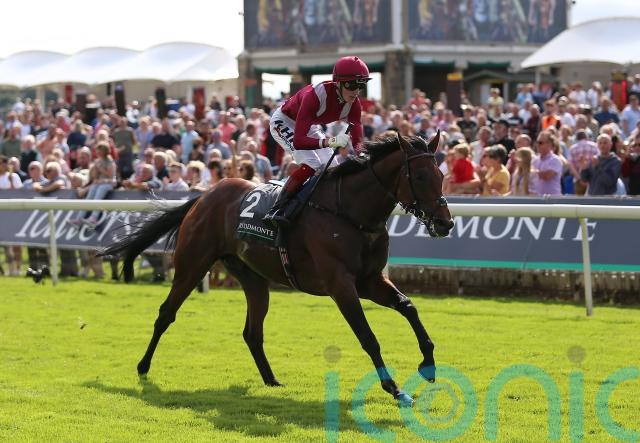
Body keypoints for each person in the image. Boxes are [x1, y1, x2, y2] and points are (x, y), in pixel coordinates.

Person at [263, 56, 368, 227]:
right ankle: (278, 209)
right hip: (284, 121)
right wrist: (331, 141)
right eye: (351, 85)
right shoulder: (315, 96)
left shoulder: (354, 104)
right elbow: (299, 141)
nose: (356, 91)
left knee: (333, 168)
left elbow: (357, 139)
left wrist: (362, 155)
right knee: (312, 163)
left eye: (361, 85)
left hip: (308, 125)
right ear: (337, 83)